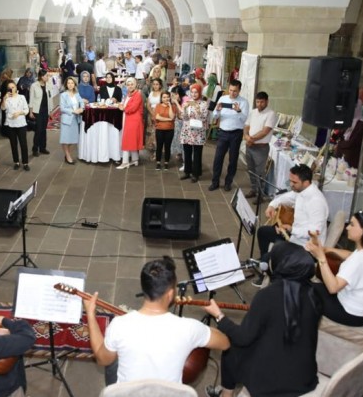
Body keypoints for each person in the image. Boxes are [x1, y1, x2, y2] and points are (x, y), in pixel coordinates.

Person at [83, 256, 230, 384]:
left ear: (144, 288)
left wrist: (90, 314)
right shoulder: (189, 328)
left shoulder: (119, 325)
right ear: (170, 293)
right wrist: (216, 317)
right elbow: (225, 343)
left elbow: (103, 359)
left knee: (113, 364)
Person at [210, 242, 322, 397]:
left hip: (271, 384)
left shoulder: (268, 295)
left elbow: (243, 337)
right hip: (304, 377)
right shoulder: (314, 293)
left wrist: (219, 316)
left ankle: (226, 394)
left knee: (231, 346)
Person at [305, 211, 363, 327]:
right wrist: (325, 250)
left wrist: (321, 257)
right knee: (311, 286)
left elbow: (333, 288)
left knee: (302, 290)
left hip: (350, 314)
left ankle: (303, 329)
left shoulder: (359, 260)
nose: (348, 227)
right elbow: (350, 254)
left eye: (352, 225)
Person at [254, 164, 328, 287]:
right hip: (294, 236)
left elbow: (315, 231)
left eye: (294, 182)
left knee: (270, 257)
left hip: (307, 247)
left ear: (306, 182)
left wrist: (292, 229)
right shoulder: (301, 191)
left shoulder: (316, 201)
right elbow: (287, 197)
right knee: (263, 232)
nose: (291, 184)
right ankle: (265, 268)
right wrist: (272, 205)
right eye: (290, 181)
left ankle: (273, 280)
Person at [209, 79, 250, 192]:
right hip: (223, 132)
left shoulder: (244, 102)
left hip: (236, 133)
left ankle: (228, 182)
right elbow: (215, 116)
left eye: (235, 91)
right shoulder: (222, 99)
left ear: (239, 90)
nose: (232, 93)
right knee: (218, 158)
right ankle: (215, 182)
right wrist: (217, 110)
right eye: (231, 90)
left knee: (233, 160)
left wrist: (238, 111)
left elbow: (245, 119)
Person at [243, 92, 277, 200]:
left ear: (267, 101)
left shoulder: (271, 114)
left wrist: (251, 139)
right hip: (250, 146)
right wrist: (246, 136)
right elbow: (246, 126)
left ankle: (260, 195)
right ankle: (253, 190)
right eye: (257, 102)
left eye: (262, 102)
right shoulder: (253, 112)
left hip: (261, 148)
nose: (259, 104)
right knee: (251, 170)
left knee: (260, 172)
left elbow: (265, 131)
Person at [179, 83, 209, 183]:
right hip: (187, 130)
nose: (194, 94)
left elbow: (204, 118)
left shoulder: (204, 104)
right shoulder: (188, 102)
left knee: (197, 153)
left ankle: (196, 173)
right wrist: (184, 108)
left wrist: (198, 110)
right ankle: (187, 171)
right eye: (192, 92)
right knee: (187, 152)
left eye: (196, 92)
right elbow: (183, 118)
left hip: (198, 132)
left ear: (199, 92)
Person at [117, 77, 144, 169]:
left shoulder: (138, 95)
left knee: (127, 139)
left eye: (132, 84)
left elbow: (133, 108)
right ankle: (135, 159)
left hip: (133, 120)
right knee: (131, 139)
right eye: (128, 84)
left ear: (135, 84)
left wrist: (123, 108)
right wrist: (122, 105)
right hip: (129, 118)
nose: (130, 86)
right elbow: (126, 104)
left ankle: (125, 162)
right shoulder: (129, 94)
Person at [2, 81, 30, 171]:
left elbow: (26, 110)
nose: (11, 89)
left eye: (13, 87)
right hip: (10, 124)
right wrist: (4, 99)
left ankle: (25, 162)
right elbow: (2, 108)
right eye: (9, 88)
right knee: (13, 144)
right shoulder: (6, 98)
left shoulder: (22, 97)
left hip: (21, 123)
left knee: (23, 144)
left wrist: (19, 113)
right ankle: (16, 162)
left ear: (16, 88)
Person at [59, 76, 84, 165]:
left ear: (74, 84)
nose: (70, 85)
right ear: (66, 84)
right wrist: (73, 111)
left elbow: (82, 104)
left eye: (72, 83)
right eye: (68, 83)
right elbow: (62, 108)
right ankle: (68, 155)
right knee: (65, 139)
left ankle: (67, 153)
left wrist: (81, 109)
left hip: (75, 120)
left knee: (73, 139)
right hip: (67, 119)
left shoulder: (77, 94)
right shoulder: (63, 95)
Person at [29, 69, 51, 157]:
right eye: (46, 76)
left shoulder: (48, 85)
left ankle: (43, 148)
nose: (48, 77)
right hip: (37, 110)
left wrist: (51, 111)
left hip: (45, 109)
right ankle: (35, 148)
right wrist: (31, 112)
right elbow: (31, 99)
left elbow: (50, 98)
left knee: (44, 129)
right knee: (38, 129)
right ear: (42, 77)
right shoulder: (34, 86)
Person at [154, 91, 176, 170]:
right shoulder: (158, 106)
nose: (166, 99)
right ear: (161, 98)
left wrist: (170, 106)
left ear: (170, 97)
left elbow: (172, 117)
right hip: (159, 129)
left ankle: (166, 162)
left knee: (168, 146)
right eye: (164, 97)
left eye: (167, 97)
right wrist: (169, 119)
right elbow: (157, 117)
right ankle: (158, 162)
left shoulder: (173, 106)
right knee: (159, 146)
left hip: (170, 130)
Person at [145, 78, 163, 160]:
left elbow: (164, 105)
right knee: (151, 133)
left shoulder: (162, 93)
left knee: (158, 134)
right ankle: (152, 150)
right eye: (154, 84)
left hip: (159, 115)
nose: (155, 86)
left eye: (157, 84)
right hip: (151, 115)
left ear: (160, 85)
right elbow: (148, 104)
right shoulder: (151, 93)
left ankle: (157, 152)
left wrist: (156, 114)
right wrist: (152, 113)